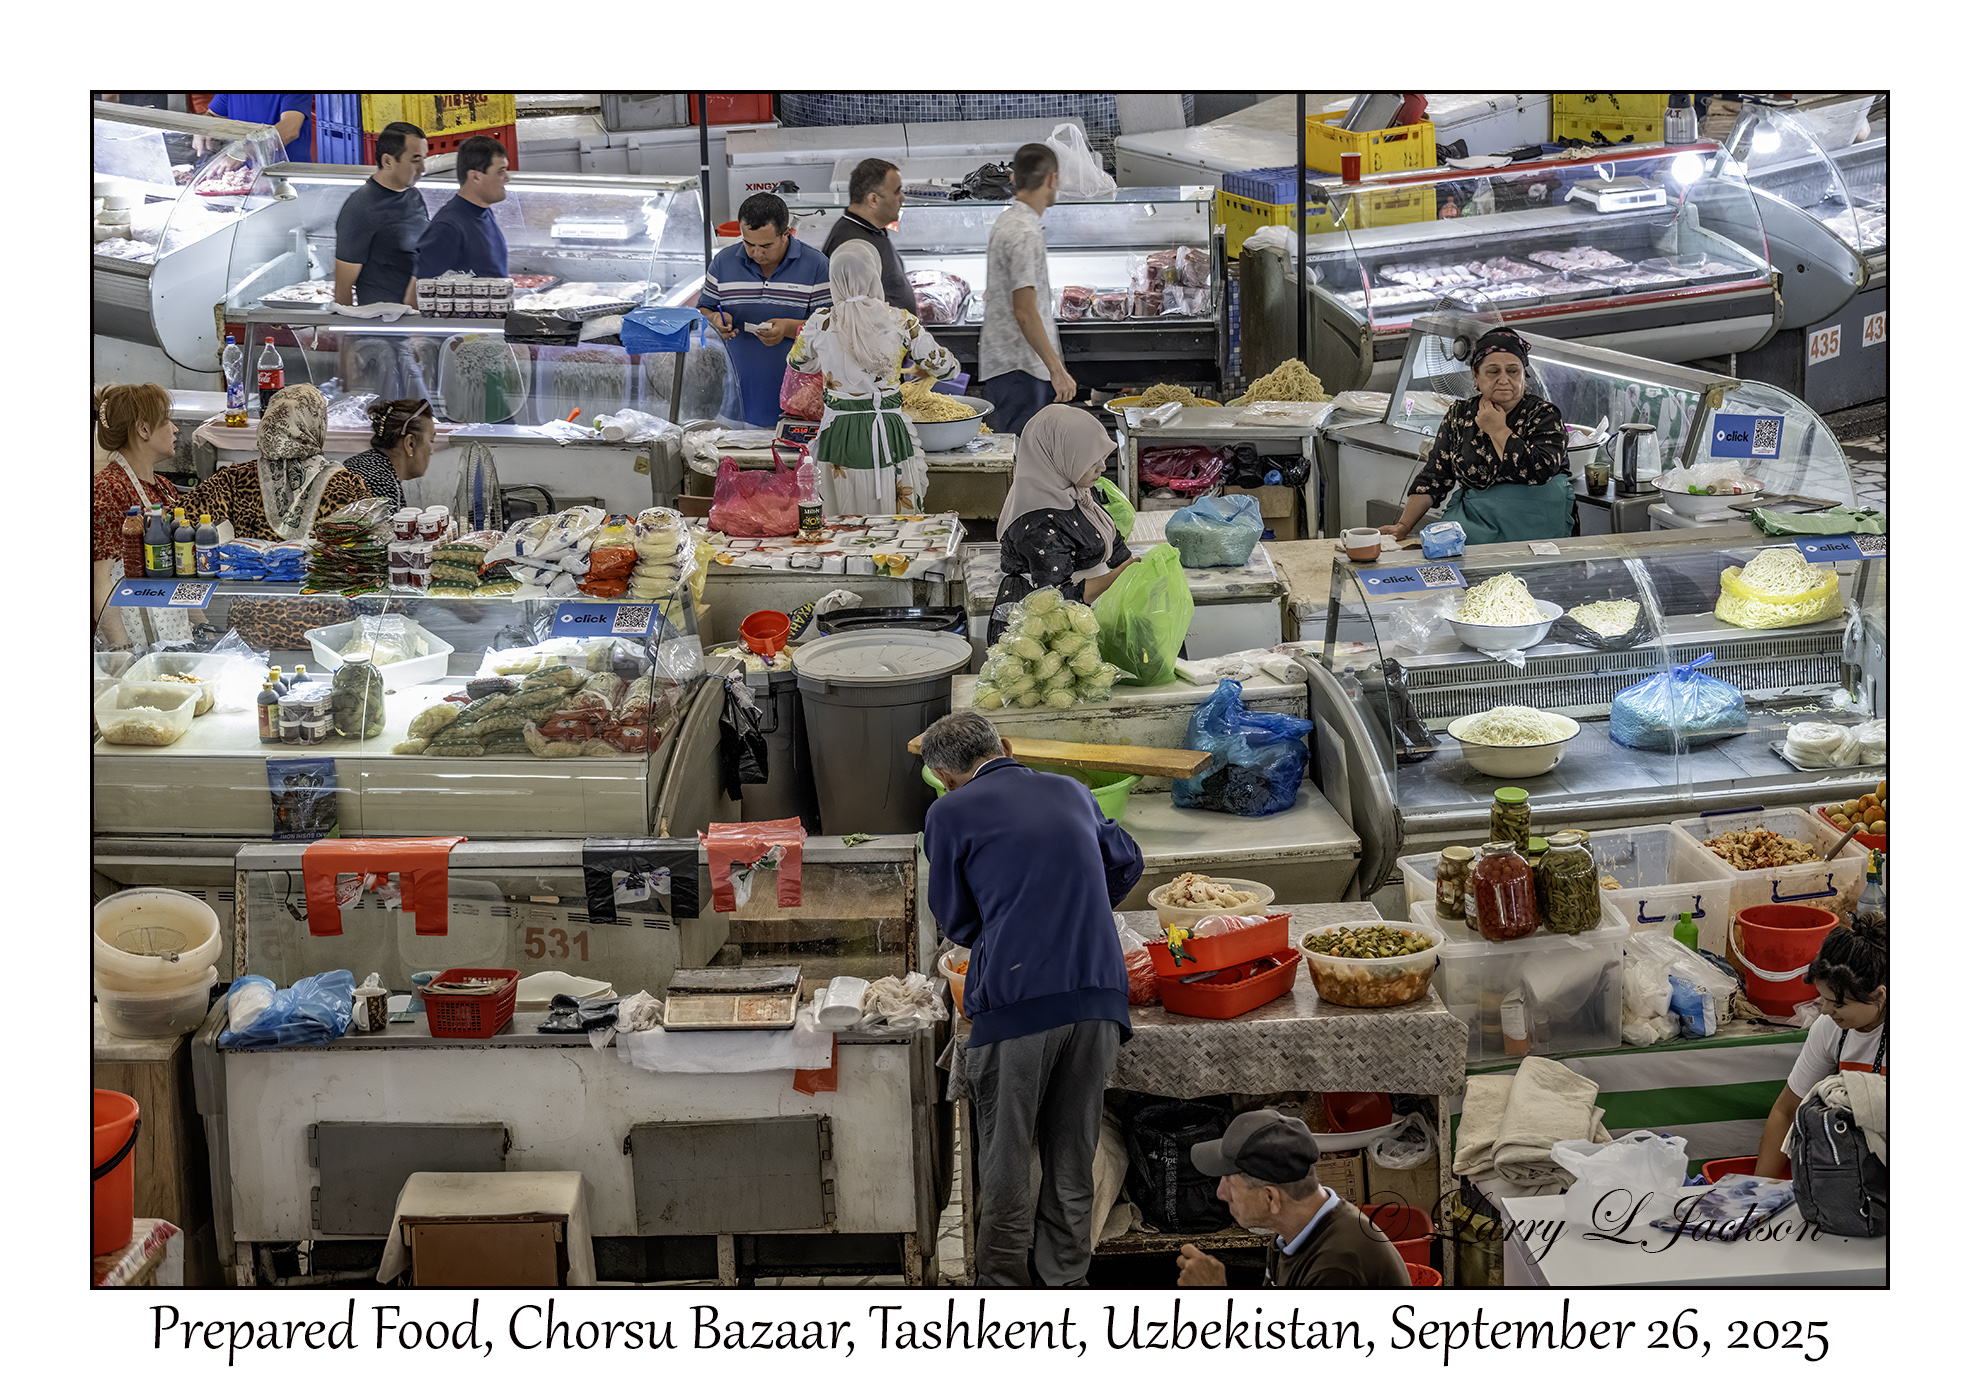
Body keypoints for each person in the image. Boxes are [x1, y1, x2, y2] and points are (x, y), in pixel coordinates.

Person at [922, 710, 1144, 1287]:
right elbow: (1127, 861)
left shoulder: (948, 812)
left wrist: (1014, 926)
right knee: (1074, 1153)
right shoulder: (1070, 790)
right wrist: (1076, 909)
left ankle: (1003, 1290)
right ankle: (1066, 1282)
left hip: (1017, 1000)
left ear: (944, 776)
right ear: (1006, 746)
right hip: (1100, 995)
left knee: (1007, 1158)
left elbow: (955, 919)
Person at [787, 240, 959, 514]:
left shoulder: (820, 322)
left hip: (839, 433)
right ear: (874, 274)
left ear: (835, 279)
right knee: (893, 517)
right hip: (888, 434)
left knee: (841, 520)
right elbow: (947, 369)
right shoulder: (901, 321)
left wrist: (828, 356)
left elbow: (797, 361)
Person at [1377, 326, 1572, 545]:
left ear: (1524, 376)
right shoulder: (1459, 415)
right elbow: (1434, 476)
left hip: (1536, 530)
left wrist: (1497, 429)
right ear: (1475, 376)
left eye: (1513, 371)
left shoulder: (1543, 415)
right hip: (1474, 528)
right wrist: (1403, 526)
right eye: (1493, 371)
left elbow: (1540, 469)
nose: (1504, 379)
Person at [1177, 1111, 1411, 1289]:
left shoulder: (1337, 1268)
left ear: (1271, 1198)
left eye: (1229, 1182)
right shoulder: (1291, 1231)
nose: (1220, 1193)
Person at [989, 405, 1139, 644]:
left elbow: (1111, 540)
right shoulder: (1038, 525)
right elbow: (1056, 598)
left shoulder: (1078, 492)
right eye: (1091, 460)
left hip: (1085, 612)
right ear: (1058, 456)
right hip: (1043, 634)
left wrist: (1137, 570)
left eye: (1102, 457)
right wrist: (1117, 576)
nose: (1102, 467)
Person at [1754, 918, 1887, 1179]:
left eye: (1838, 1004)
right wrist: (1758, 1190)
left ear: (1879, 996)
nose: (1826, 1011)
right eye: (1822, 999)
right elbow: (1786, 1111)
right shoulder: (1830, 1028)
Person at [697, 192, 832, 426]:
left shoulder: (817, 265)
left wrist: (788, 328)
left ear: (786, 234)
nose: (757, 253)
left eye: (766, 246)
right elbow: (703, 310)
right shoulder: (723, 262)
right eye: (749, 243)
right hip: (733, 402)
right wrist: (716, 320)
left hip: (796, 404)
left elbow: (833, 327)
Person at [980, 142, 1078, 439]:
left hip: (1010, 365)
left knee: (1015, 452)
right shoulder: (1024, 233)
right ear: (1051, 179)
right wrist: (1057, 370)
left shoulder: (1009, 219)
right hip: (1022, 368)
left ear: (1014, 178)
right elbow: (1024, 311)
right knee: (1025, 454)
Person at [189, 384, 365, 542]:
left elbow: (181, 521)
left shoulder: (233, 479)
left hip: (246, 569)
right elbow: (370, 543)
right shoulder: (346, 484)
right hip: (318, 570)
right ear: (318, 425)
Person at [92, 383, 184, 611]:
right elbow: (100, 584)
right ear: (143, 429)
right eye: (166, 420)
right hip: (132, 622)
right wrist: (118, 637)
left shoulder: (164, 487)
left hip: (170, 617)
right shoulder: (108, 489)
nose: (175, 429)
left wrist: (203, 626)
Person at [333, 122, 430, 307]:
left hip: (416, 315)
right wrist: (348, 326)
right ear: (388, 161)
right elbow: (343, 291)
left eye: (424, 159)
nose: (423, 169)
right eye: (415, 160)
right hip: (382, 319)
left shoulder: (413, 195)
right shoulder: (360, 209)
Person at [822, 159, 914, 312]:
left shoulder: (872, 230)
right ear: (873, 200)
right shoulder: (852, 244)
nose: (902, 198)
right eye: (896, 191)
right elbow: (857, 316)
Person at [413, 135, 510, 280]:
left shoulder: (484, 211)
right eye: (500, 171)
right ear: (475, 177)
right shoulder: (447, 227)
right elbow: (418, 288)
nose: (507, 178)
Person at [344, 399, 435, 511]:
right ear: (410, 444)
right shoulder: (383, 486)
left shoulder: (360, 463)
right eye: (431, 440)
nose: (431, 451)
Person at [203, 93, 314, 163]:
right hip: (240, 174)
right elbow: (213, 115)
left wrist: (244, 153)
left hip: (285, 174)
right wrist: (203, 129)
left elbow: (289, 130)